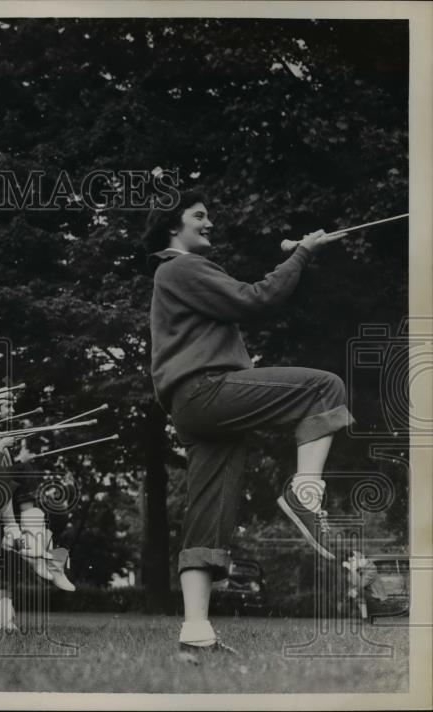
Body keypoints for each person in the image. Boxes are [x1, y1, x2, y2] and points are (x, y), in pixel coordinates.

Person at [145, 189, 355, 653]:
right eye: (199, 216)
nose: (210, 223)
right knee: (325, 388)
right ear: (172, 226)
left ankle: (195, 635)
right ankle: (305, 495)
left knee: (208, 514)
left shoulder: (174, 275)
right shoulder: (180, 267)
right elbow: (256, 299)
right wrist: (302, 254)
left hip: (192, 409)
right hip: (207, 391)